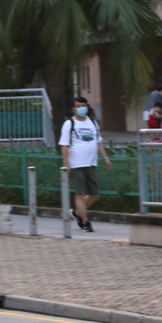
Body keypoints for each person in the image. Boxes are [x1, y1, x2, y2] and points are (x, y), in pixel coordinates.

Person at [59, 96, 112, 232]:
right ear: (73, 109)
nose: (82, 108)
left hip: (91, 163)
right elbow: (64, 145)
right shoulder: (69, 124)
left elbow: (99, 142)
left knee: (94, 194)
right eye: (78, 106)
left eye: (84, 105)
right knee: (80, 193)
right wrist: (66, 164)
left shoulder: (92, 123)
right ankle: (85, 221)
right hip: (76, 164)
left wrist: (105, 158)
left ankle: (78, 213)